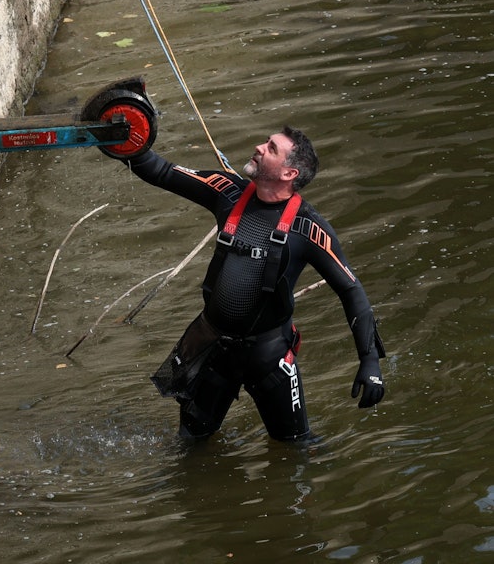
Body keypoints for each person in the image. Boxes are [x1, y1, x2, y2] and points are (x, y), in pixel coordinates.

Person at [124, 126, 386, 442]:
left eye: (271, 148)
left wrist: (369, 361)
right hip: (210, 345)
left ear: (290, 172)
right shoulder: (227, 191)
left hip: (269, 354)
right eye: (266, 142)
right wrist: (126, 139)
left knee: (296, 448)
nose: (259, 147)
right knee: (190, 443)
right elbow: (160, 171)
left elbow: (351, 290)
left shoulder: (309, 228)